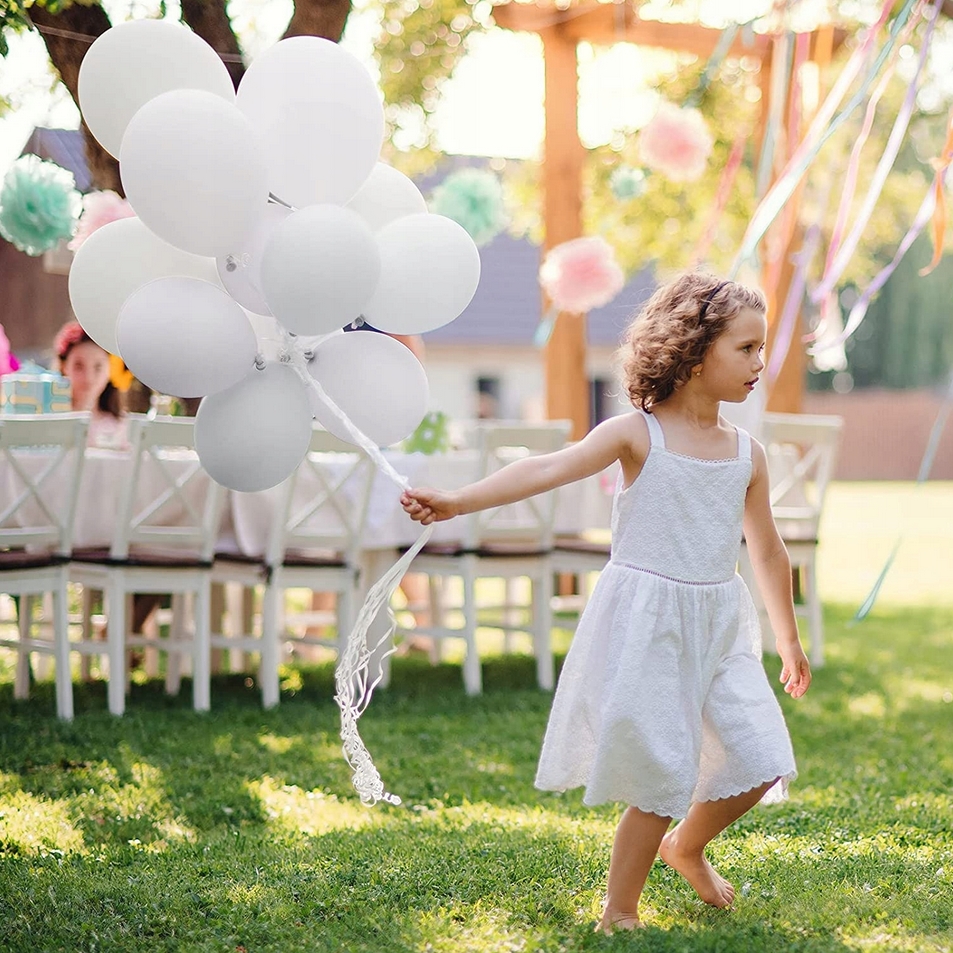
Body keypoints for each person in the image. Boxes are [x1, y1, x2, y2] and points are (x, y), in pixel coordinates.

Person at [400, 273, 811, 932]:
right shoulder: (635, 435)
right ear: (695, 352)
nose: (760, 362)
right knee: (658, 771)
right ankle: (618, 908)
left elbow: (766, 551)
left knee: (761, 757)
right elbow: (542, 469)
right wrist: (455, 501)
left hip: (718, 624)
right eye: (746, 348)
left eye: (761, 347)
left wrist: (787, 639)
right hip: (649, 627)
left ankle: (686, 845)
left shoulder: (746, 455)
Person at [54, 321, 129, 450]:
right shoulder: (52, 423)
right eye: (78, 366)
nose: (88, 378)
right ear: (64, 367)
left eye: (98, 367)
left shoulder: (121, 428)